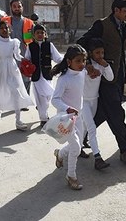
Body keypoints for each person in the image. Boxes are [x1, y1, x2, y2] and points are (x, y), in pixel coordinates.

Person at [77, 0, 126, 164]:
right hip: (102, 81)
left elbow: (121, 53)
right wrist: (88, 64)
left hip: (117, 78)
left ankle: (79, 140)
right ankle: (124, 150)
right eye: (125, 11)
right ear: (115, 10)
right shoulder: (101, 25)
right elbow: (81, 43)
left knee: (101, 114)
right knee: (117, 114)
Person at [51, 45, 88, 190]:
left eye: (84, 60)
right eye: (78, 61)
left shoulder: (82, 72)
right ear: (69, 62)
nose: (82, 64)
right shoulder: (64, 79)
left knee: (76, 146)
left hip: (78, 116)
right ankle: (71, 176)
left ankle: (60, 154)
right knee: (76, 148)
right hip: (66, 118)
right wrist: (67, 108)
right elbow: (55, 100)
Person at [0, 21, 34, 131]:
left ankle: (18, 120)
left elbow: (17, 56)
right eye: (2, 28)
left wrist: (24, 60)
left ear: (9, 29)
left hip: (12, 68)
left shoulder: (14, 42)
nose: (4, 30)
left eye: (6, 27)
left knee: (16, 92)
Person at [82, 38, 114, 170]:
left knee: (84, 128)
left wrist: (105, 65)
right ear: (90, 53)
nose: (100, 56)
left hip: (94, 100)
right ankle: (97, 157)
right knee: (91, 128)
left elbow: (111, 78)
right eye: (97, 53)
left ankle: (74, 149)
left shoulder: (102, 65)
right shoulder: (83, 66)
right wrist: (87, 67)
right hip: (83, 101)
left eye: (102, 53)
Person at [24, 23, 63, 127]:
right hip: (36, 76)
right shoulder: (30, 46)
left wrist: (65, 64)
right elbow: (27, 59)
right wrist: (26, 66)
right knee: (40, 98)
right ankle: (44, 118)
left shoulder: (49, 45)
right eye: (37, 33)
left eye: (42, 32)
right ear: (34, 35)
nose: (40, 34)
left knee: (48, 96)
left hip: (47, 75)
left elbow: (58, 58)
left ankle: (42, 110)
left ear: (45, 34)